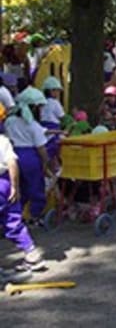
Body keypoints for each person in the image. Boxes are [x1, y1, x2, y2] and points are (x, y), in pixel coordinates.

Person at [0, 134, 45, 272]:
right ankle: (32, 254)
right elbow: (12, 163)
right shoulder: (3, 140)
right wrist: (14, 186)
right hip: (5, 183)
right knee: (12, 220)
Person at [6, 87, 50, 225]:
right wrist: (46, 162)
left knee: (18, 189)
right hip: (30, 158)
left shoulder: (10, 121)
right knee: (36, 188)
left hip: (12, 156)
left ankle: (14, 217)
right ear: (34, 107)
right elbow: (41, 148)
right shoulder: (33, 125)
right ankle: (34, 216)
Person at [39, 76, 65, 172]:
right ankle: (56, 172)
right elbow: (62, 116)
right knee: (56, 151)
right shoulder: (55, 103)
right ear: (51, 91)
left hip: (43, 130)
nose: (58, 93)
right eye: (57, 91)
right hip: (54, 130)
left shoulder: (41, 102)